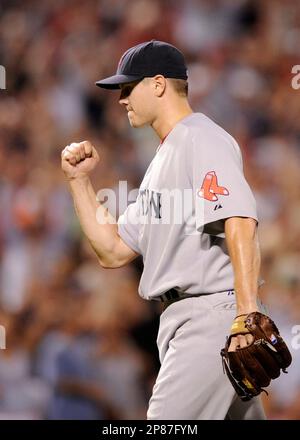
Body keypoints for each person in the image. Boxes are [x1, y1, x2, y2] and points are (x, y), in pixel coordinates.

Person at [61, 40, 267, 420]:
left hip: (211, 319)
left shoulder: (199, 137)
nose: (121, 99)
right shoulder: (163, 160)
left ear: (158, 85)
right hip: (189, 321)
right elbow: (114, 250)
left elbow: (240, 220)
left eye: (128, 87)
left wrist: (246, 314)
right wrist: (78, 182)